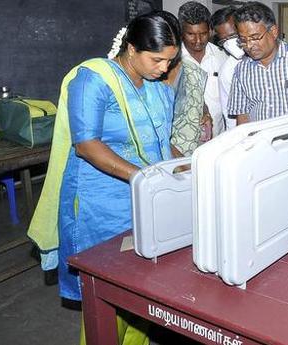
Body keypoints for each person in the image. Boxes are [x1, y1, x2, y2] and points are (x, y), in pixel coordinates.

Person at [27, 11, 182, 342]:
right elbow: (86, 145)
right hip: (102, 206)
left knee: (144, 292)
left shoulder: (156, 86)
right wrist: (146, 178)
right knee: (108, 300)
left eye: (170, 61)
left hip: (147, 201)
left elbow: (160, 140)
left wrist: (192, 165)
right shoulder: (94, 79)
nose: (164, 69)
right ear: (130, 48)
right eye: (157, 59)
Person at [178, 1, 227, 136]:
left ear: (210, 31)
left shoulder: (222, 56)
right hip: (182, 142)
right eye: (191, 34)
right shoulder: (172, 60)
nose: (198, 40)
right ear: (181, 32)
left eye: (203, 33)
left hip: (218, 138)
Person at [212, 6, 245, 131]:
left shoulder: (265, 56)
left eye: (233, 36)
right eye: (224, 40)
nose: (230, 43)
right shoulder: (227, 71)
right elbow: (229, 115)